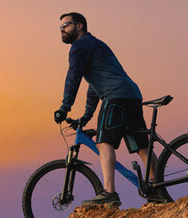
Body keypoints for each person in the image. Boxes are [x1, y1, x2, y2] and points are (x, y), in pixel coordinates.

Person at [53, 12, 156, 206]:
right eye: (60, 27)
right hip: (131, 95)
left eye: (65, 25)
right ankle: (158, 188)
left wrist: (64, 108)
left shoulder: (80, 46)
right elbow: (94, 87)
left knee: (104, 143)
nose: (62, 30)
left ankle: (109, 192)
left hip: (116, 96)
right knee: (142, 146)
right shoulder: (95, 44)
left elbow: (73, 77)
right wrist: (86, 115)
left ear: (79, 26)